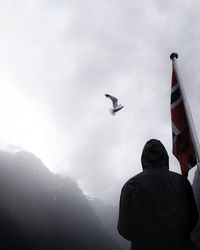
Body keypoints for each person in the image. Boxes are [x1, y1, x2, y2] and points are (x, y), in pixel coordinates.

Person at [118, 139, 198, 250]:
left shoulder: (130, 186)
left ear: (143, 159)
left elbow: (124, 229)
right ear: (165, 156)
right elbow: (193, 218)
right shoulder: (181, 182)